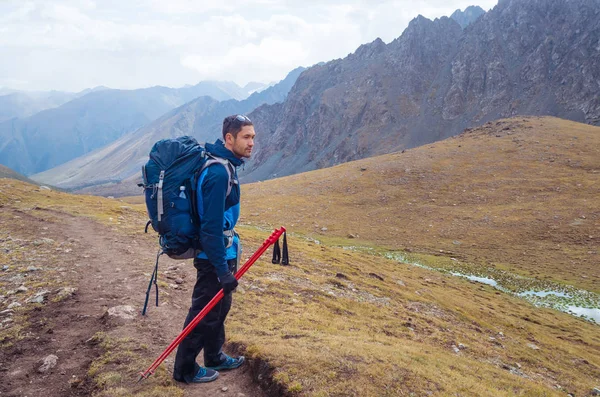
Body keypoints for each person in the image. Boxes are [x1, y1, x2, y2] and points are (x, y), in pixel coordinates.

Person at [173, 114, 255, 384]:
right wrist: (222, 271)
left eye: (253, 136)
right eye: (246, 137)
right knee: (204, 312)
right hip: (213, 257)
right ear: (229, 138)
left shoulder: (226, 165)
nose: (252, 142)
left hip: (223, 253)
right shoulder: (219, 171)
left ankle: (214, 355)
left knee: (220, 309)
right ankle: (184, 370)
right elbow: (210, 228)